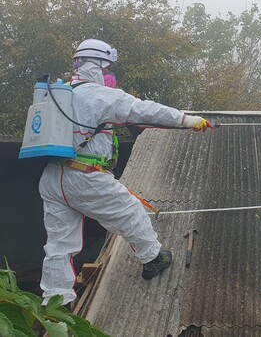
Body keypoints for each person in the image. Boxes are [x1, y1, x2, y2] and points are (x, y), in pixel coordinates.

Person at [38, 38, 213, 307]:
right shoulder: (97, 94)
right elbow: (143, 109)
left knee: (59, 244)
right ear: (97, 65)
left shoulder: (58, 92)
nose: (109, 74)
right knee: (131, 211)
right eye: (107, 68)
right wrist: (188, 120)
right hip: (84, 174)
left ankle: (55, 303)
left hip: (52, 176)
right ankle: (153, 259)